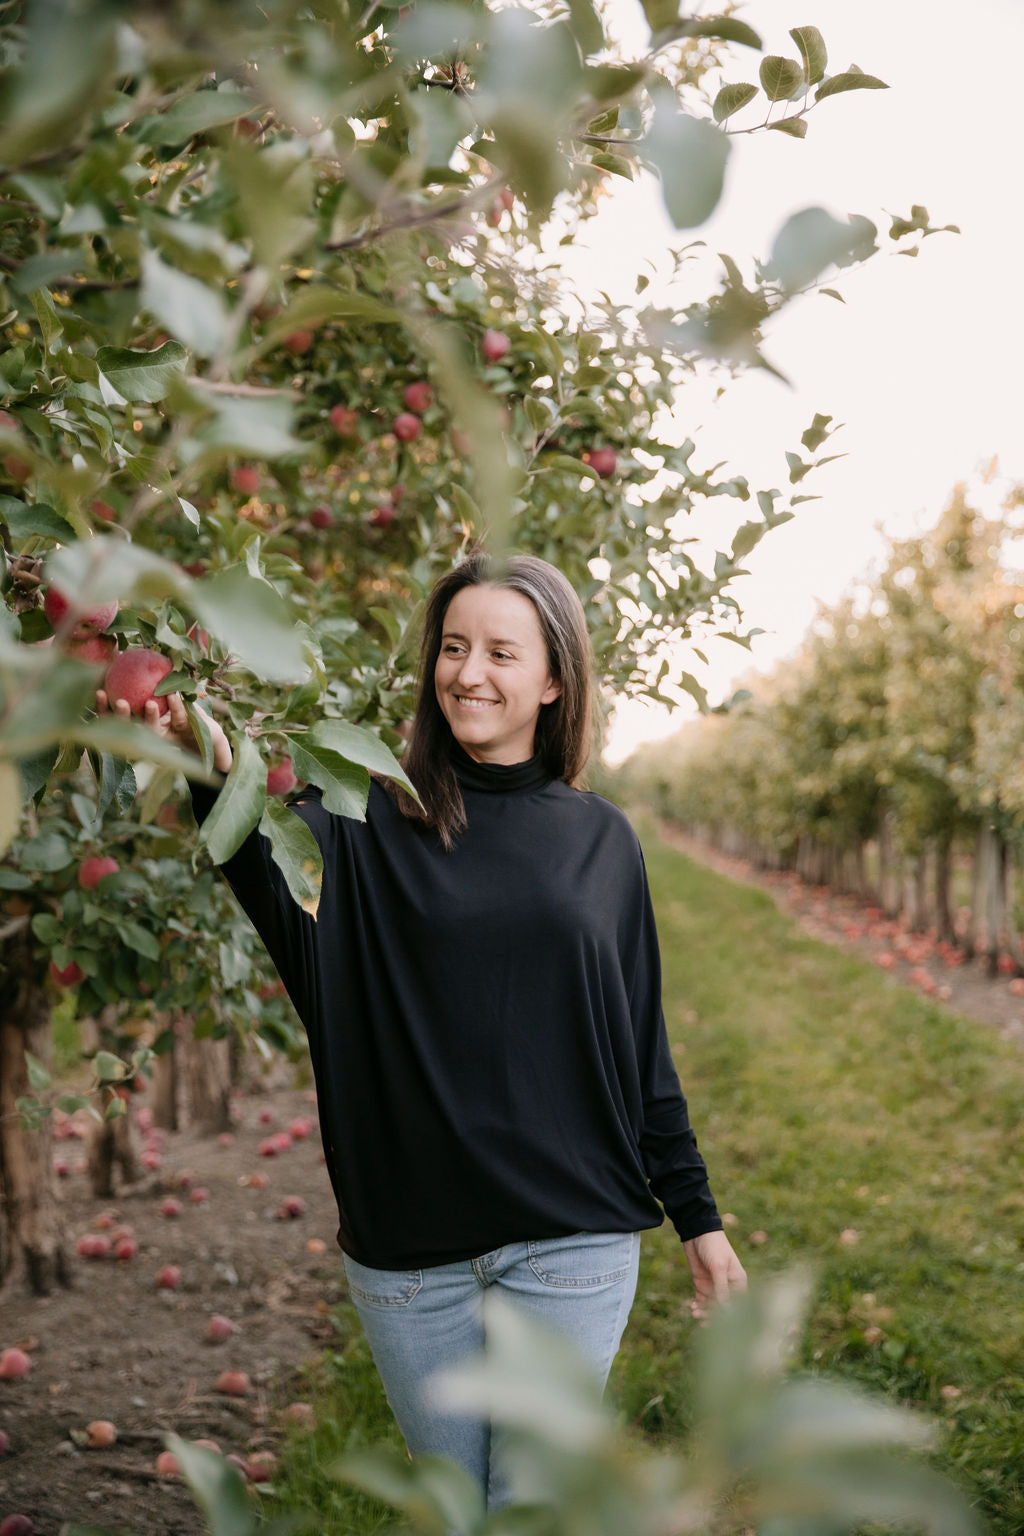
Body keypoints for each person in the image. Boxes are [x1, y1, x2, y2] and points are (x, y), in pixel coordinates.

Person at [99, 549, 746, 1506]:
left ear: (555, 679)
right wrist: (190, 727)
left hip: (570, 1239)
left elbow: (639, 1045)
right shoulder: (361, 823)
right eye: (452, 647)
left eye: (500, 652)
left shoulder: (602, 841)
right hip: (410, 1253)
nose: (469, 673)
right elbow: (253, 845)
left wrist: (699, 1216)